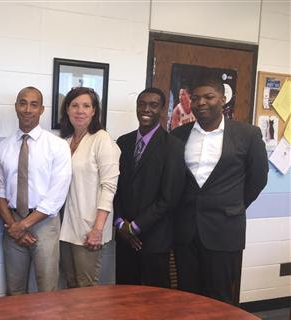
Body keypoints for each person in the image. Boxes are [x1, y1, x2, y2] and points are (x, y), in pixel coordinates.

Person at [171, 76, 268, 304]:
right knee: (186, 295)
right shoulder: (178, 135)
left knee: (220, 297)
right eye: (195, 98)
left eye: (208, 97)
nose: (201, 102)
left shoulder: (247, 134)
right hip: (186, 230)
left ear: (223, 100)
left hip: (224, 229)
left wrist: (233, 204)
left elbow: (258, 179)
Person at [0, 87, 71, 295]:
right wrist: (14, 225)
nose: (27, 109)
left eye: (34, 104)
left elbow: (57, 193)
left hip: (45, 224)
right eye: (23, 103)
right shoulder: (3, 147)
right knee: (14, 290)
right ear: (16, 107)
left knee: (47, 290)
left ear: (42, 110)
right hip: (12, 222)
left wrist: (23, 225)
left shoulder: (57, 146)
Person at [114, 87, 186, 288]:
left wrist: (135, 227)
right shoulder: (123, 142)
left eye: (153, 105)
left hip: (155, 239)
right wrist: (121, 224)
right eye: (142, 104)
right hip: (124, 239)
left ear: (162, 110)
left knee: (157, 301)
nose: (146, 109)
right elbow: (115, 188)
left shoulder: (173, 146)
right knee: (125, 296)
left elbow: (170, 197)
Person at [59, 87, 120, 288]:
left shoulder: (101, 139)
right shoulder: (65, 142)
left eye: (86, 106)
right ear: (67, 110)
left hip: (89, 228)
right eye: (75, 105)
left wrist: (97, 229)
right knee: (70, 284)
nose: (80, 110)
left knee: (86, 288)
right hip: (65, 227)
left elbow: (109, 186)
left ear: (94, 111)